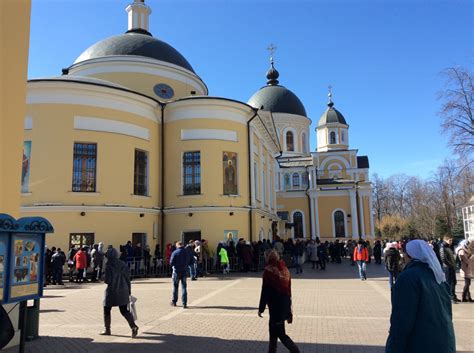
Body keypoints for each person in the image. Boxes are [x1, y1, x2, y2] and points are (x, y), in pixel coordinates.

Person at [385, 239, 455, 353]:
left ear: (409, 256)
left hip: (419, 343)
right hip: (443, 342)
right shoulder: (438, 276)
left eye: (404, 254)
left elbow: (401, 321)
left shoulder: (408, 277)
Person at [258, 250, 300, 353]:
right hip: (285, 303)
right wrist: (289, 308)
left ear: (268, 258)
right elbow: (289, 289)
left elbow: (265, 291)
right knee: (273, 331)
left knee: (280, 333)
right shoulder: (285, 269)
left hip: (275, 306)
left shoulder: (268, 271)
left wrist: (261, 308)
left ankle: (295, 350)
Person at [100, 248, 138, 338]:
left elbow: (108, 280)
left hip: (112, 290)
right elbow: (128, 279)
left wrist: (103, 277)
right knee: (124, 310)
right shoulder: (123, 264)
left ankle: (107, 329)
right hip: (124, 289)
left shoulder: (109, 265)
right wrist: (129, 291)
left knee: (106, 309)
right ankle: (133, 326)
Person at [440, 235, 460, 303]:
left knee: (453, 282)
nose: (451, 242)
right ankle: (450, 297)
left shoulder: (448, 246)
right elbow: (443, 259)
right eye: (449, 240)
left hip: (451, 267)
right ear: (445, 240)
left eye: (451, 240)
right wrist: (450, 265)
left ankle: (453, 296)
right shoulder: (443, 247)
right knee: (449, 282)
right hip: (447, 268)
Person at [170, 241, 190, 308]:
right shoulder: (187, 252)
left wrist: (175, 265)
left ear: (177, 245)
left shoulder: (175, 252)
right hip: (184, 271)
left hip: (177, 271)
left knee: (175, 287)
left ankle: (174, 302)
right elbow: (190, 261)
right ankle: (184, 303)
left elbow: (171, 262)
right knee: (184, 287)